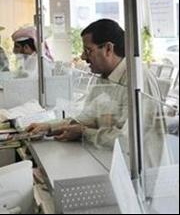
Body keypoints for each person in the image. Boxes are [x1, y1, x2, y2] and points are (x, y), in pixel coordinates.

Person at [26, 19, 168, 166]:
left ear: (108, 49)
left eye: (88, 51)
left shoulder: (138, 79)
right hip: (110, 161)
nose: (82, 57)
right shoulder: (105, 78)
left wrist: (84, 132)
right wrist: (49, 127)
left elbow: (127, 140)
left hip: (141, 170)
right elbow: (87, 116)